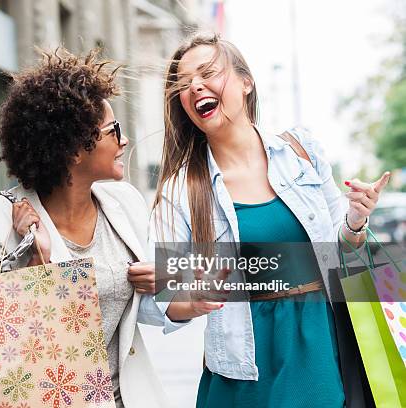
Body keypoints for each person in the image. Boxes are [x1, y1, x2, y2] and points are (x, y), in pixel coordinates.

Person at [0, 48, 185, 408]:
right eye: (114, 131)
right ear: (75, 149)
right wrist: (41, 264)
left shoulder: (126, 204)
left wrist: (174, 285)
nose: (123, 140)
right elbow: (1, 342)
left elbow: (147, 306)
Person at [150, 32, 391, 407]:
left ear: (246, 82)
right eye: (184, 84)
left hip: (315, 346)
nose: (196, 86)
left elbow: (342, 258)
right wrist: (197, 297)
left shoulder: (301, 153)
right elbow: (167, 301)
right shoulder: (179, 189)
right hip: (240, 362)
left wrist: (356, 220)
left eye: (208, 73)